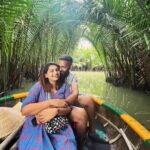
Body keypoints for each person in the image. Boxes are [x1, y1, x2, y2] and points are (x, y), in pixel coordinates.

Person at [18, 62, 77, 150]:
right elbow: (24, 110)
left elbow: (68, 108)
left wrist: (56, 111)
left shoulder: (64, 87)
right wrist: (50, 102)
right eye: (51, 71)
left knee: (68, 146)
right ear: (46, 75)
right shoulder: (38, 86)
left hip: (58, 123)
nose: (55, 73)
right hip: (39, 122)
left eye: (57, 70)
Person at [59, 55, 109, 144]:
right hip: (57, 100)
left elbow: (75, 92)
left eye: (63, 67)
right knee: (81, 115)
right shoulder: (55, 73)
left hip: (68, 99)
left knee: (89, 100)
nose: (60, 69)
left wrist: (66, 102)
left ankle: (92, 131)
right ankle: (79, 141)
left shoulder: (72, 76)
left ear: (70, 66)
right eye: (59, 66)